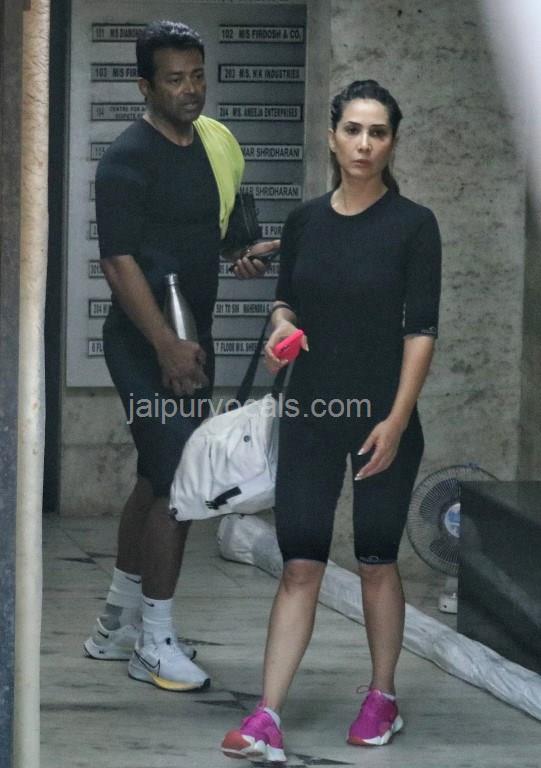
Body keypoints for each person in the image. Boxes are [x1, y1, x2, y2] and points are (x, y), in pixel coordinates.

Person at [221, 79, 442, 762]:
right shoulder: (305, 221)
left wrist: (397, 421)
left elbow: (420, 331)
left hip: (382, 419)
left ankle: (382, 696)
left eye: (377, 132)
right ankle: (266, 714)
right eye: (352, 129)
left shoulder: (414, 225)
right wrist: (280, 329)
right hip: (311, 412)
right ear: (332, 136)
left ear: (392, 142)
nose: (363, 144)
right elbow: (285, 300)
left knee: (375, 561)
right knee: (299, 565)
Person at [83, 20, 278, 692]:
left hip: (193, 338)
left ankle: (117, 623)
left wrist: (243, 256)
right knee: (178, 483)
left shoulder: (216, 143)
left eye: (197, 76)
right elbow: (117, 262)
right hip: (144, 344)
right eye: (174, 79)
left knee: (155, 475)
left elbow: (221, 235)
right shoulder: (125, 160)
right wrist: (164, 347)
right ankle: (154, 642)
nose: (190, 89)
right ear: (145, 85)